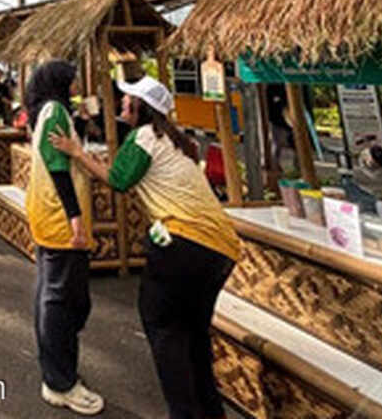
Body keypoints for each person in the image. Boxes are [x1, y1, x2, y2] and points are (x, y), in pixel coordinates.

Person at [51, 76, 240, 419]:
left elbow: (118, 180)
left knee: (165, 329)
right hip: (220, 250)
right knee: (195, 336)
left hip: (182, 244)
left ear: (142, 107)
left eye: (128, 99)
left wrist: (76, 152)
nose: (123, 103)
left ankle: (184, 413)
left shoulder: (145, 137)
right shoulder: (176, 141)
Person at [22, 61, 97, 414]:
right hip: (58, 216)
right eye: (73, 78)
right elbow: (57, 165)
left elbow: (62, 148)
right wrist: (76, 218)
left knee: (52, 292)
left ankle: (56, 371)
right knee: (62, 299)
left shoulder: (49, 110)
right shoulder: (53, 111)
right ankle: (59, 381)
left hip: (47, 212)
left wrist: (80, 120)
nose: (77, 82)